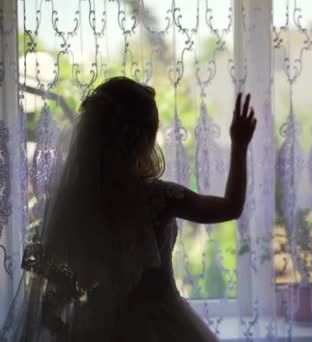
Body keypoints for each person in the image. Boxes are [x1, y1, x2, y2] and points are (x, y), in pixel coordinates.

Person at [0, 77, 256, 341]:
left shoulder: (77, 204)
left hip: (97, 328)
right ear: (139, 137)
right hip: (162, 325)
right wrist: (239, 143)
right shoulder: (159, 196)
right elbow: (230, 207)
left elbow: (54, 297)